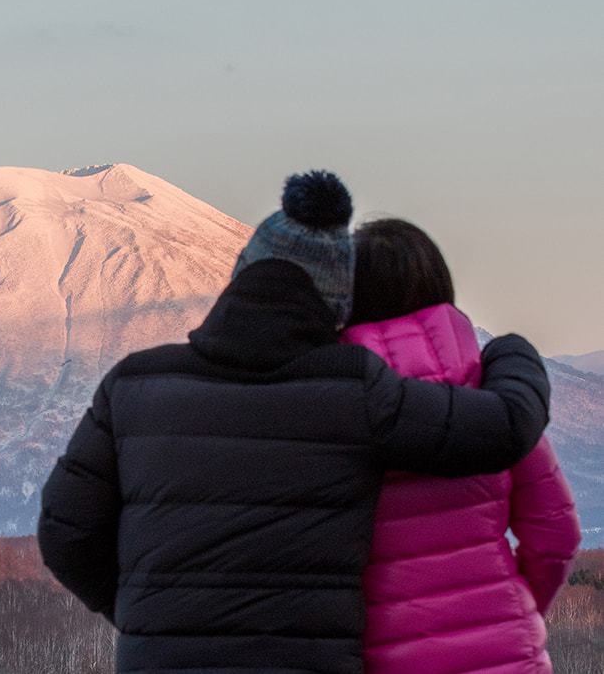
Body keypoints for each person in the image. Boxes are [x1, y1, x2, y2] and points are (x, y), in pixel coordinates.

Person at [36, 171, 553, 674]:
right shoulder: (354, 390)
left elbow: (66, 534)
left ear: (240, 276)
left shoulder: (135, 385)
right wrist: (512, 352)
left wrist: (145, 615)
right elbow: (505, 427)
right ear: (335, 303)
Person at [343, 218, 580, 674]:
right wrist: (511, 605)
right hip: (506, 654)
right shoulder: (497, 401)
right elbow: (557, 536)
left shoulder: (336, 408)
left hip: (385, 656)